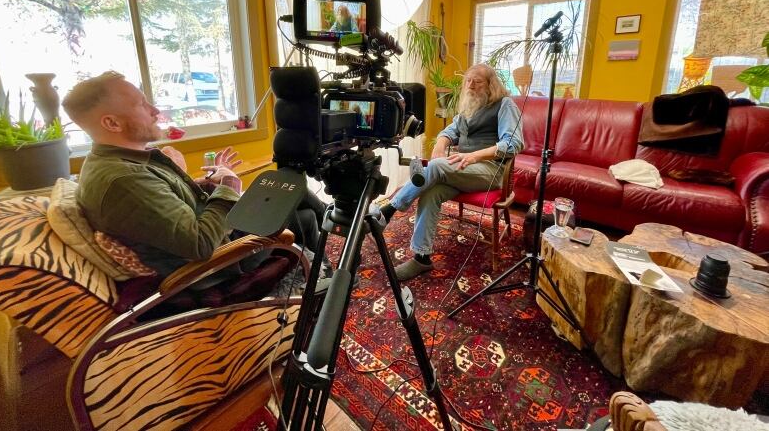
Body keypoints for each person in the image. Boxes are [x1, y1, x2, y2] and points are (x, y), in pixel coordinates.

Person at [62, 71, 326, 294]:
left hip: (218, 235)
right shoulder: (122, 181)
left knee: (294, 194)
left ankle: (322, 270)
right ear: (111, 122)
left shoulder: (121, 162)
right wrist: (229, 185)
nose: (155, 111)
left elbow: (164, 203)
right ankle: (320, 274)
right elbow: (200, 244)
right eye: (141, 105)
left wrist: (208, 182)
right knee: (296, 209)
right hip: (218, 267)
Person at [380, 64, 524, 281]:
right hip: (464, 170)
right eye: (468, 80)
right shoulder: (469, 107)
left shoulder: (505, 105)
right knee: (431, 193)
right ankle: (421, 258)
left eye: (477, 81)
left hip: (490, 171)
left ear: (490, 84)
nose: (470, 85)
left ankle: (389, 209)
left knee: (436, 167)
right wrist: (440, 143)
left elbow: (513, 143)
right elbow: (451, 130)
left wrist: (476, 156)